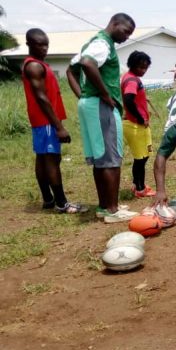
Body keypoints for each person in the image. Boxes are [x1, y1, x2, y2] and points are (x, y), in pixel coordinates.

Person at [66, 13, 139, 223]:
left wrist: (83, 95)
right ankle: (113, 210)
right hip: (100, 106)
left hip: (90, 104)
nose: (126, 37)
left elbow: (71, 69)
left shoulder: (92, 43)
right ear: (114, 24)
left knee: (100, 159)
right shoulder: (102, 43)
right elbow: (87, 64)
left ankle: (104, 205)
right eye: (125, 31)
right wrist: (105, 95)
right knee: (111, 158)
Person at [22, 28, 86, 214]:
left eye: (46, 44)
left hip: (41, 121)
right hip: (46, 121)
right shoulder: (34, 66)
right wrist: (59, 127)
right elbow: (41, 97)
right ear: (29, 45)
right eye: (39, 45)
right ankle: (61, 203)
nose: (44, 48)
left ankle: (48, 199)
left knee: (42, 158)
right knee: (52, 159)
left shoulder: (38, 64)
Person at [121, 51, 156, 198]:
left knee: (143, 156)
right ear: (132, 65)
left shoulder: (129, 77)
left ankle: (138, 184)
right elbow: (129, 99)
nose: (142, 70)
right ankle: (140, 189)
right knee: (140, 159)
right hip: (135, 125)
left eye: (145, 67)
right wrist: (141, 118)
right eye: (140, 67)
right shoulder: (132, 81)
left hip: (135, 124)